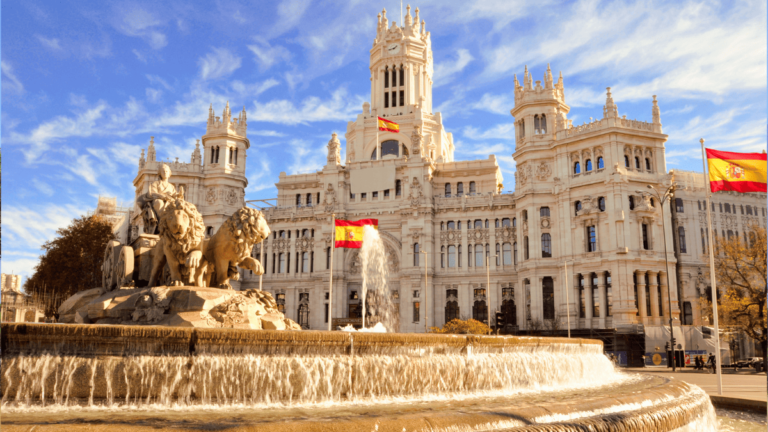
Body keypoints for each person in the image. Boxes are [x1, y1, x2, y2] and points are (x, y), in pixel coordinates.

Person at [137, 164, 178, 234]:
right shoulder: (155, 183)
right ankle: (162, 224)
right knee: (159, 202)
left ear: (169, 173)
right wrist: (163, 197)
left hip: (170, 202)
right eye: (163, 171)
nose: (165, 173)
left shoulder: (172, 187)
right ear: (160, 173)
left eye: (167, 171)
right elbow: (152, 193)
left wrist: (179, 196)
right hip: (157, 201)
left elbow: (175, 196)